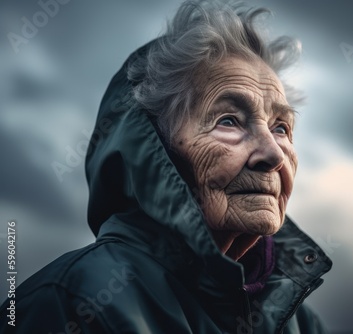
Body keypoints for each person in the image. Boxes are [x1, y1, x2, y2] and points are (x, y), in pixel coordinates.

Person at [1, 1, 332, 332]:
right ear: (152, 152)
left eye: (281, 128)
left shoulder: (302, 323)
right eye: (228, 120)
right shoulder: (71, 302)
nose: (273, 155)